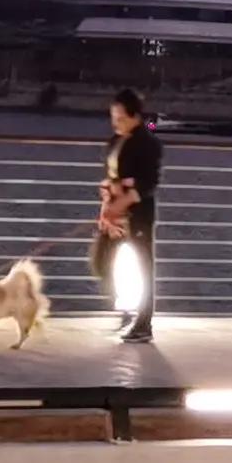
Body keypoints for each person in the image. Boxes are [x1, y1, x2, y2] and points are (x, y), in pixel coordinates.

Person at [95, 88, 162, 342]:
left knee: (144, 266)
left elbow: (148, 182)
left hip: (138, 215)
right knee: (101, 260)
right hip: (114, 214)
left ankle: (144, 324)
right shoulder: (115, 141)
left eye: (120, 117)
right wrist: (107, 201)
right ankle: (123, 307)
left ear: (135, 116)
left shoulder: (148, 142)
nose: (116, 122)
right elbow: (113, 176)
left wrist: (122, 201)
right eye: (113, 116)